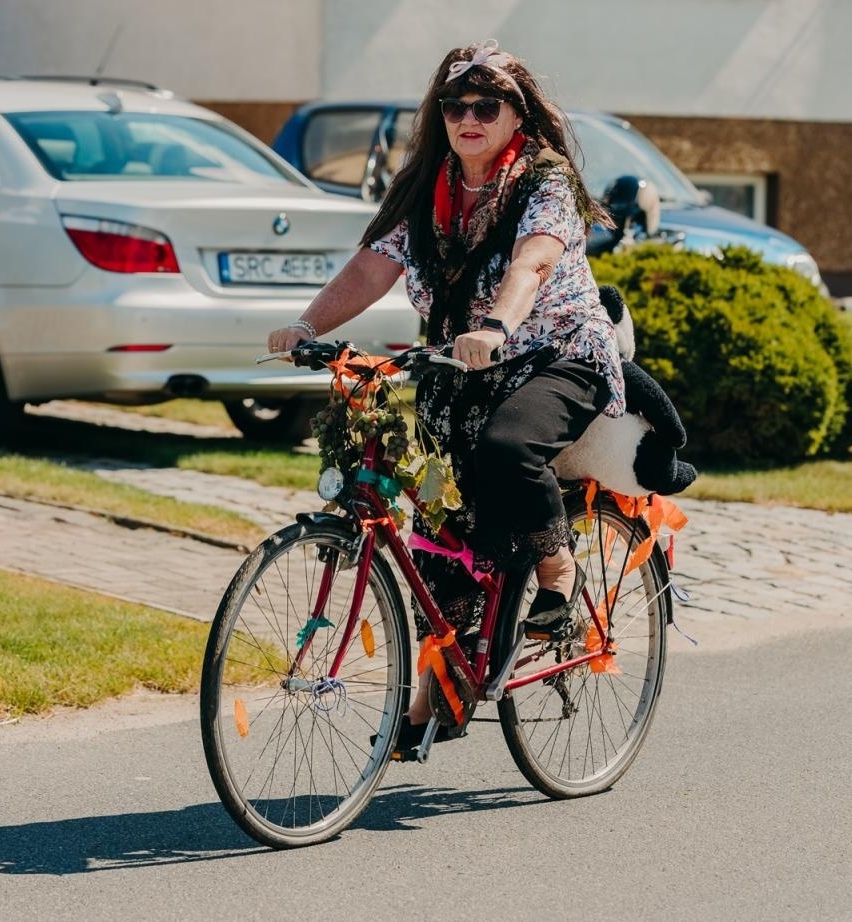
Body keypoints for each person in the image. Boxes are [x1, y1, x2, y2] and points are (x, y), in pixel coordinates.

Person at [265, 40, 624, 752]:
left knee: (506, 449)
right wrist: (309, 324)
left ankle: (558, 574)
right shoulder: (426, 186)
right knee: (440, 536)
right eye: (454, 106)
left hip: (557, 356)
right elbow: (372, 266)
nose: (469, 117)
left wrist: (496, 323)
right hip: (462, 370)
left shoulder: (542, 181)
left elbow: (536, 257)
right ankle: (436, 699)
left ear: (515, 115)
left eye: (486, 106)